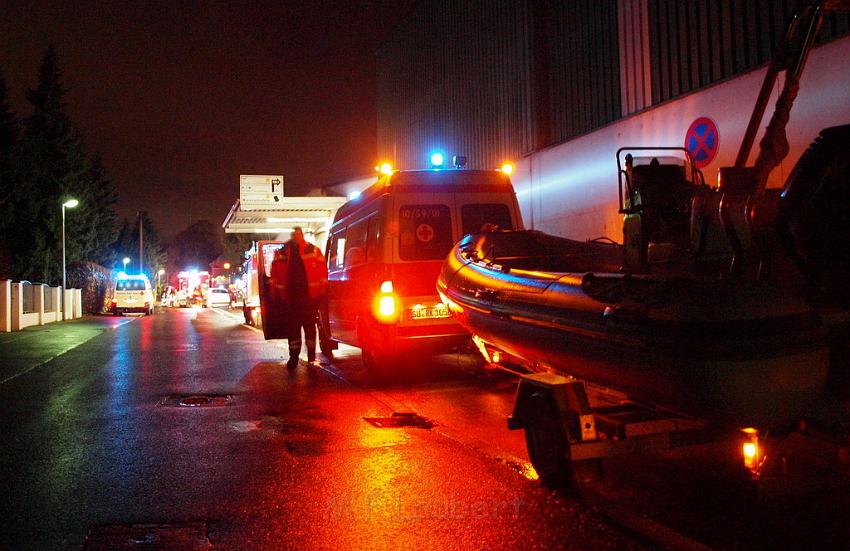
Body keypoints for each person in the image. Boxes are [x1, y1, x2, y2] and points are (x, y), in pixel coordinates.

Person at [269, 227, 328, 369]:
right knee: (296, 331)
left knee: (306, 329)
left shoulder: (311, 251)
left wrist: (321, 294)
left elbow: (322, 273)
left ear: (301, 235)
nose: (296, 237)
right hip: (293, 300)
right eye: (295, 235)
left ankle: (310, 357)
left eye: (298, 235)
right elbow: (274, 277)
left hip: (308, 299)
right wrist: (275, 296)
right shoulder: (282, 253)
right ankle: (295, 357)